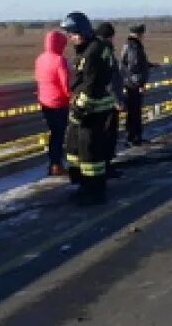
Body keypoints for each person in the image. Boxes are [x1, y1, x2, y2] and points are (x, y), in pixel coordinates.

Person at [60, 11, 116, 205]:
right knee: (80, 149)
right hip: (94, 108)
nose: (71, 37)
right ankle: (85, 185)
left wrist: (79, 110)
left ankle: (95, 191)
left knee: (90, 152)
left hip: (92, 110)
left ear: (82, 30)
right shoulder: (94, 46)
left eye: (73, 33)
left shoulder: (92, 51)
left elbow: (91, 85)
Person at [34, 29, 71, 176]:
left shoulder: (40, 59)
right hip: (59, 102)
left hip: (45, 101)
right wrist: (71, 96)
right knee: (59, 134)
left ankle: (53, 163)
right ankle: (56, 164)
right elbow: (65, 83)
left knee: (54, 133)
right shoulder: (59, 60)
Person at [96, 22, 125, 178]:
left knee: (103, 134)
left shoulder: (94, 50)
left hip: (100, 101)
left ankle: (104, 165)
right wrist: (117, 100)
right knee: (108, 134)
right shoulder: (106, 52)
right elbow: (111, 80)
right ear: (110, 36)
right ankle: (106, 165)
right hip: (108, 101)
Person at [120, 23, 156, 145]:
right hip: (133, 84)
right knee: (135, 112)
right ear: (140, 34)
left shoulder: (129, 45)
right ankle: (134, 138)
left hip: (129, 83)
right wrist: (140, 84)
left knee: (133, 112)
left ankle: (133, 137)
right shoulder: (134, 46)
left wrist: (149, 65)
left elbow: (135, 64)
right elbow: (134, 66)